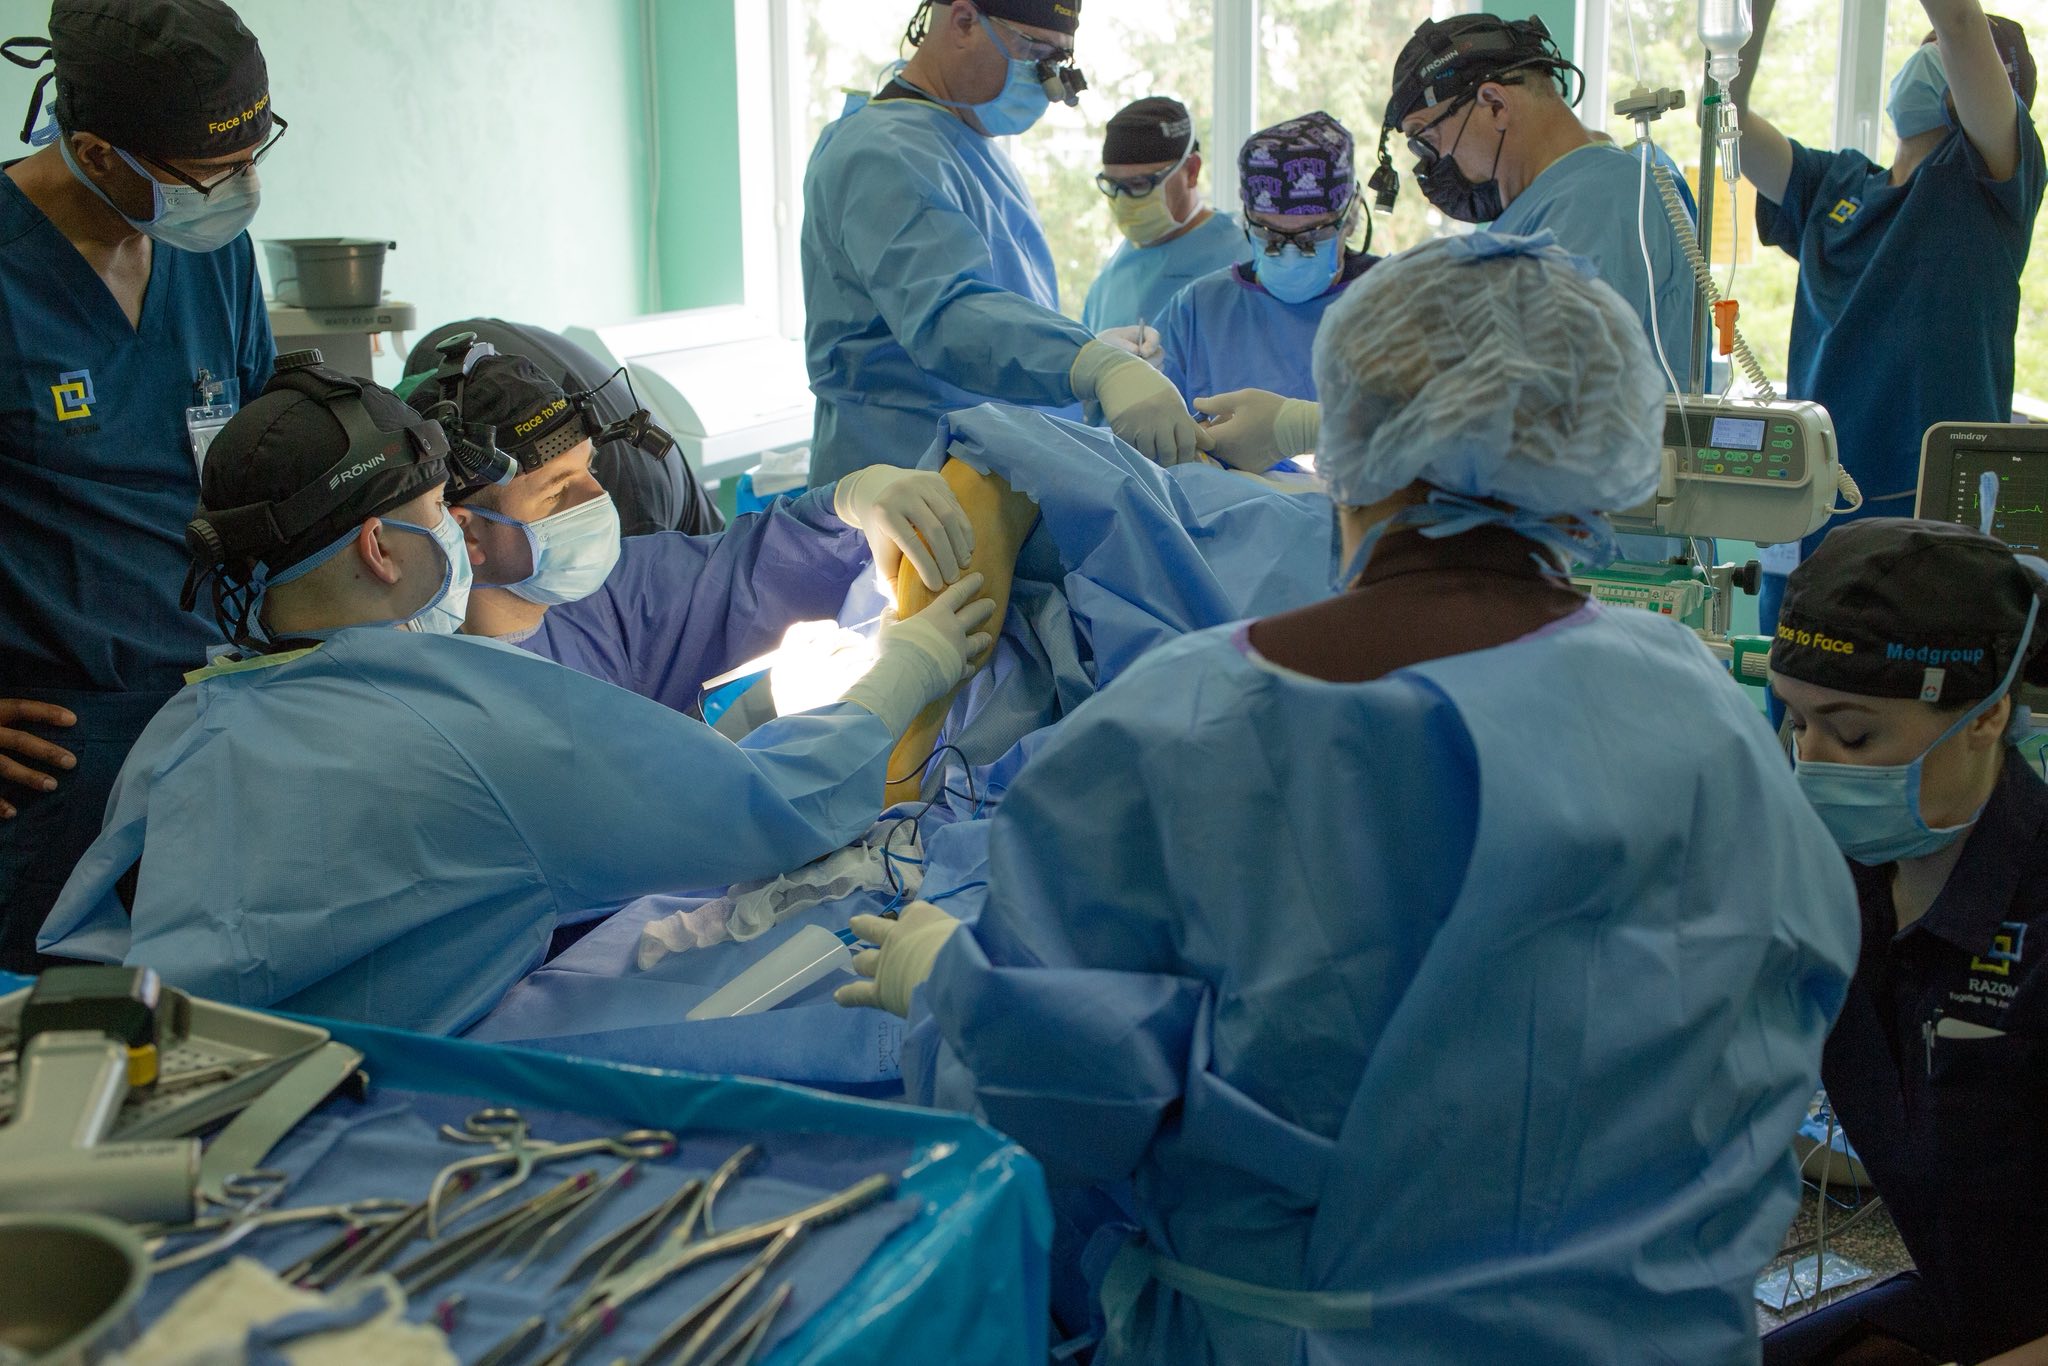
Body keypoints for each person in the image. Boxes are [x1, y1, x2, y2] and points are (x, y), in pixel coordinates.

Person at [837, 234, 1860, 1363]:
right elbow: (1782, 1009)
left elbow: (1059, 1109)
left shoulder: (1178, 728)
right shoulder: (1702, 711)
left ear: (1354, 447)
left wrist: (960, 995)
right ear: (1598, 457)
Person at [36, 357, 995, 1035]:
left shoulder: (192, 718)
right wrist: (904, 671)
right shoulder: (461, 717)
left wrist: (843, 505)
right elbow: (764, 808)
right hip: (408, 1109)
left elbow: (103, 955)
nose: (452, 534)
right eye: (434, 516)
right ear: (381, 549)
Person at [0, 0, 278, 973]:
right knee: (61, 1034)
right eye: (210, 173)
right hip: (56, 757)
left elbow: (253, 457)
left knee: (215, 1017)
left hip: (219, 714)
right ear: (96, 153)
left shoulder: (213, 254)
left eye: (253, 158)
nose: (240, 191)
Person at [1765, 519, 2048, 1366]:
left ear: (1988, 716)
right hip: (1973, 1302)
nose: (1814, 762)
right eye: (1797, 723)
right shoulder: (1827, 883)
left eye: (1853, 736)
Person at [1194, 13, 1698, 472]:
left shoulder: (1598, 203)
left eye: (1425, 139)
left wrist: (1299, 427)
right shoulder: (1548, 211)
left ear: (1495, 105)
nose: (1427, 167)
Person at [405, 339, 976, 711]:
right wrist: (879, 702)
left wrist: (850, 505)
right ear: (468, 533)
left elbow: (744, 572)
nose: (597, 498)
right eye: (558, 491)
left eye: (589, 470)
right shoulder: (449, 700)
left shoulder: (612, 596)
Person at [802, 0, 1212, 482]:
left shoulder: (969, 148)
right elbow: (948, 318)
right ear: (963, 22)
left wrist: (1086, 354)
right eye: (1036, 52)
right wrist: (1086, 362)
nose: (1049, 83)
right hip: (903, 481)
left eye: (1057, 61)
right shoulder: (884, 153)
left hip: (978, 474)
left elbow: (1000, 307)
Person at [1739, 0, 2043, 640]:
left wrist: (1961, 35)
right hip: (1811, 514)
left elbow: (1960, 22)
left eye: (1944, 55)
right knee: (1794, 689)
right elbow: (1727, 119)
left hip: (1923, 530)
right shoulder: (1834, 184)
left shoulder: (1989, 190)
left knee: (1894, 692)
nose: (1927, 58)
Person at [1153, 111, 1377, 410]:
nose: (1289, 253)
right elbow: (1149, 425)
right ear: (1247, 221)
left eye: (1311, 236)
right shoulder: (1198, 312)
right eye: (1269, 234)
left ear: (1350, 218)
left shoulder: (1396, 303)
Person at [1079, 97, 1248, 339]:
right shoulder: (1110, 280)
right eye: (1113, 185)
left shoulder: (1245, 255)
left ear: (1192, 171)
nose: (1124, 200)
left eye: (1140, 184)